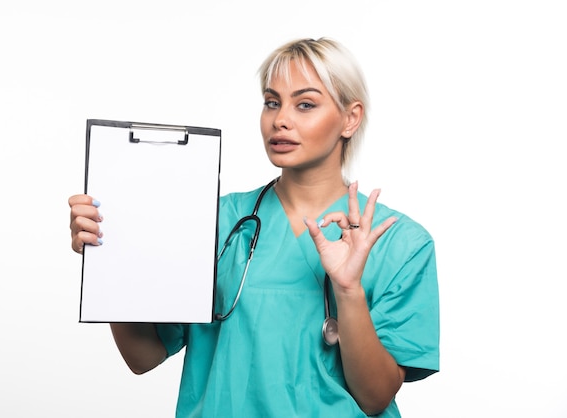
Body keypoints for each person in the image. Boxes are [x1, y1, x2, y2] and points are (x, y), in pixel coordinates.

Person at [68, 37, 439, 417]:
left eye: (305, 104)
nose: (280, 119)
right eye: (272, 102)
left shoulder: (401, 243)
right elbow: (142, 356)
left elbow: (375, 397)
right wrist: (108, 257)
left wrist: (347, 290)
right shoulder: (214, 222)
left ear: (350, 118)